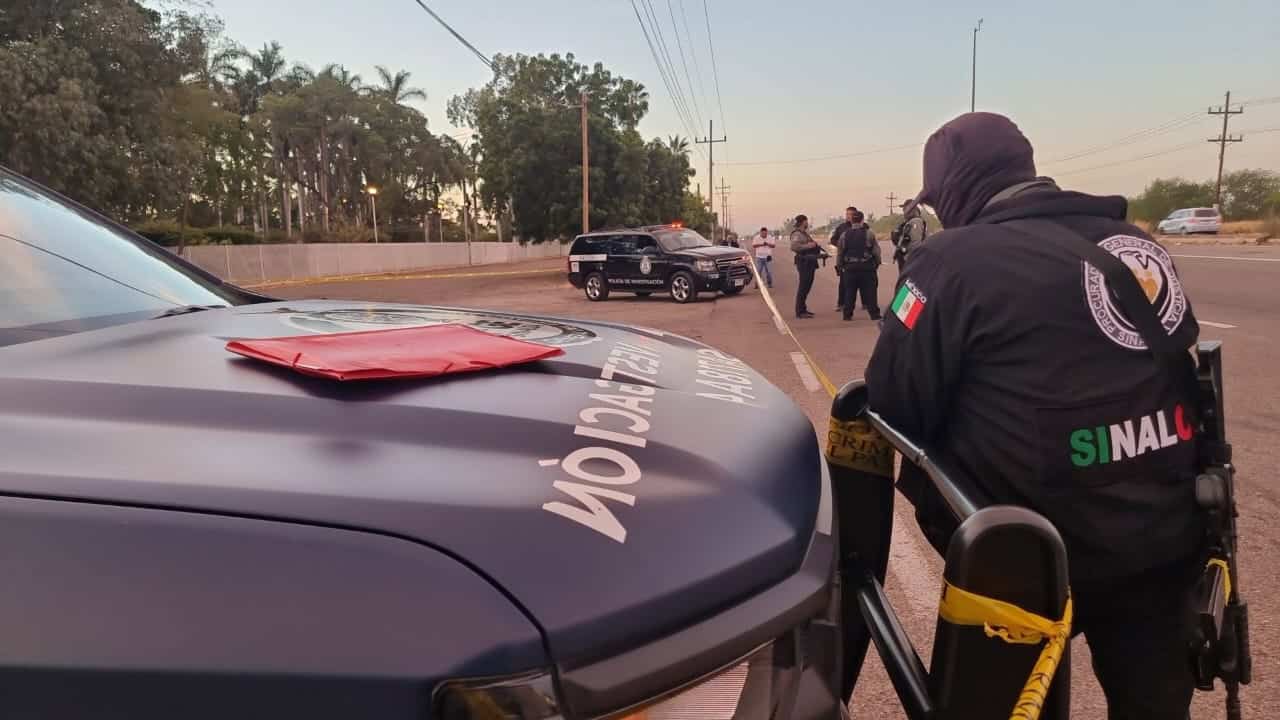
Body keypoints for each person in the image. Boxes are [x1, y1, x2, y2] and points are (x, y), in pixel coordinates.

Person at [865, 112, 1202, 720]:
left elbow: (894, 403)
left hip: (1026, 560)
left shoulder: (948, 263)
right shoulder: (1137, 246)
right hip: (1162, 541)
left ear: (958, 189)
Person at [836, 210, 881, 321]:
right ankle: (874, 314)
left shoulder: (844, 235)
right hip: (866, 267)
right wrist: (877, 263)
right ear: (862, 220)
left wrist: (839, 266)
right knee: (871, 291)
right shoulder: (869, 233)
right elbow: (876, 251)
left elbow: (840, 253)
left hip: (850, 268)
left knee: (850, 292)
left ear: (851, 220)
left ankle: (847, 314)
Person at [789, 215, 822, 318]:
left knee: (807, 286)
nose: (807, 223)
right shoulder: (797, 234)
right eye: (806, 221)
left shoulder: (804, 234)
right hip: (803, 262)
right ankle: (799, 311)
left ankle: (803, 309)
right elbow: (794, 247)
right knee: (803, 287)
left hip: (809, 262)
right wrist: (809, 245)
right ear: (803, 222)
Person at [831, 207, 859, 312]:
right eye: (847, 214)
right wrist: (842, 245)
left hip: (862, 259)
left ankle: (867, 303)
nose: (849, 216)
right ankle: (841, 303)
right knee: (843, 282)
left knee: (865, 282)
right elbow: (833, 239)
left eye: (851, 214)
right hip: (845, 259)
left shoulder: (863, 226)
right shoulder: (841, 227)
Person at [890, 198, 927, 273]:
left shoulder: (916, 221)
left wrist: (909, 260)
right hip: (906, 260)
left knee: (908, 283)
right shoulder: (908, 222)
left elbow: (915, 243)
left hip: (911, 262)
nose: (903, 210)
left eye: (905, 208)